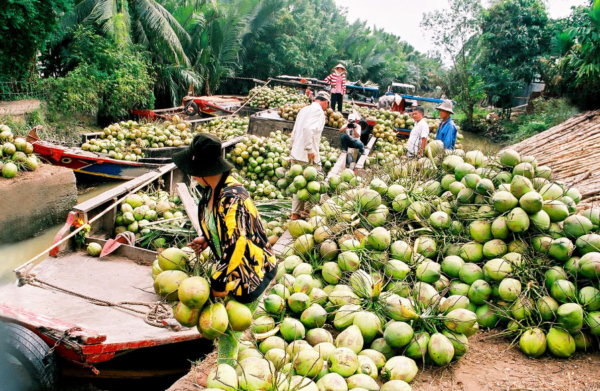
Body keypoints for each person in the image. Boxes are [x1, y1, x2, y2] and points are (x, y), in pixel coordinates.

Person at [172, 133, 278, 384]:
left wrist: (218, 285)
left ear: (201, 169)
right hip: (231, 267)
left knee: (229, 327)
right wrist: (207, 239)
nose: (190, 175)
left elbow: (237, 244)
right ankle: (228, 364)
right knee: (227, 322)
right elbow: (222, 229)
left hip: (252, 269)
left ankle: (223, 375)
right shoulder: (211, 191)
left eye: (191, 170)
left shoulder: (234, 197)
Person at [289, 92, 330, 220]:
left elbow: (295, 130)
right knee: (314, 184)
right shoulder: (318, 111)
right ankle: (307, 212)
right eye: (327, 104)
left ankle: (295, 214)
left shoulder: (304, 109)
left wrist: (291, 147)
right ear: (325, 102)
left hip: (296, 153)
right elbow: (308, 129)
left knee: (299, 185)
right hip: (307, 155)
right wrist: (310, 148)